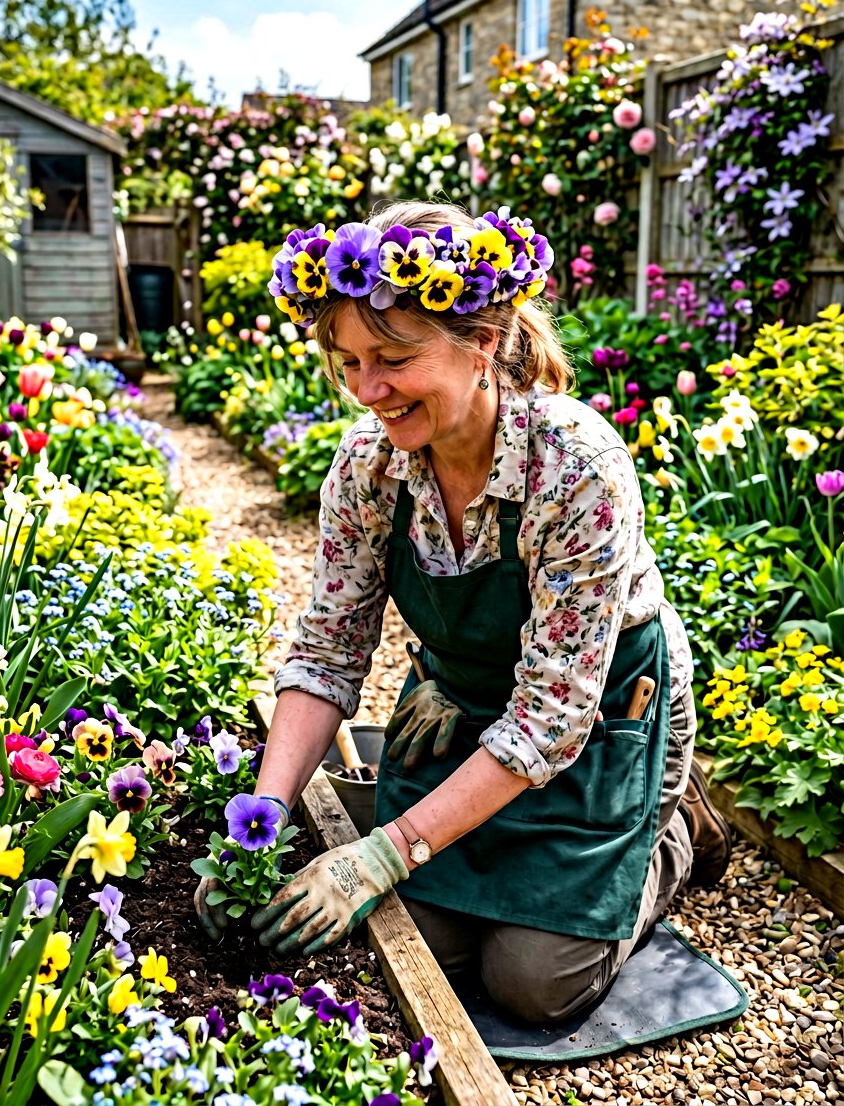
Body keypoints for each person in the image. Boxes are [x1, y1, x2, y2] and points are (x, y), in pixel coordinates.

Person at [195, 201, 732, 1024]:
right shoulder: (369, 465)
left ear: (483, 341)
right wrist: (259, 821)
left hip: (597, 721)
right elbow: (328, 651)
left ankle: (673, 831)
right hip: (465, 703)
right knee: (425, 941)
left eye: (393, 359)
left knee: (534, 983)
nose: (368, 391)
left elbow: (551, 716)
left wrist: (380, 855)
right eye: (348, 363)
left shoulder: (576, 465)